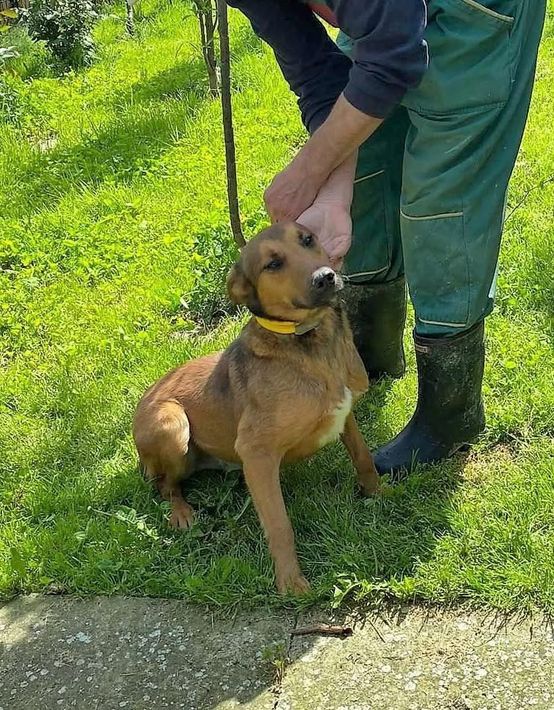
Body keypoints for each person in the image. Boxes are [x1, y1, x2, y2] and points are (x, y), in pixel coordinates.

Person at [226, 0, 547, 476]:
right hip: (382, 17)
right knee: (365, 151)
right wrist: (332, 195)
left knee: (444, 197)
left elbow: (394, 56)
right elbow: (322, 78)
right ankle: (373, 351)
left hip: (475, 14)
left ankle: (448, 415)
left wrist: (308, 170)